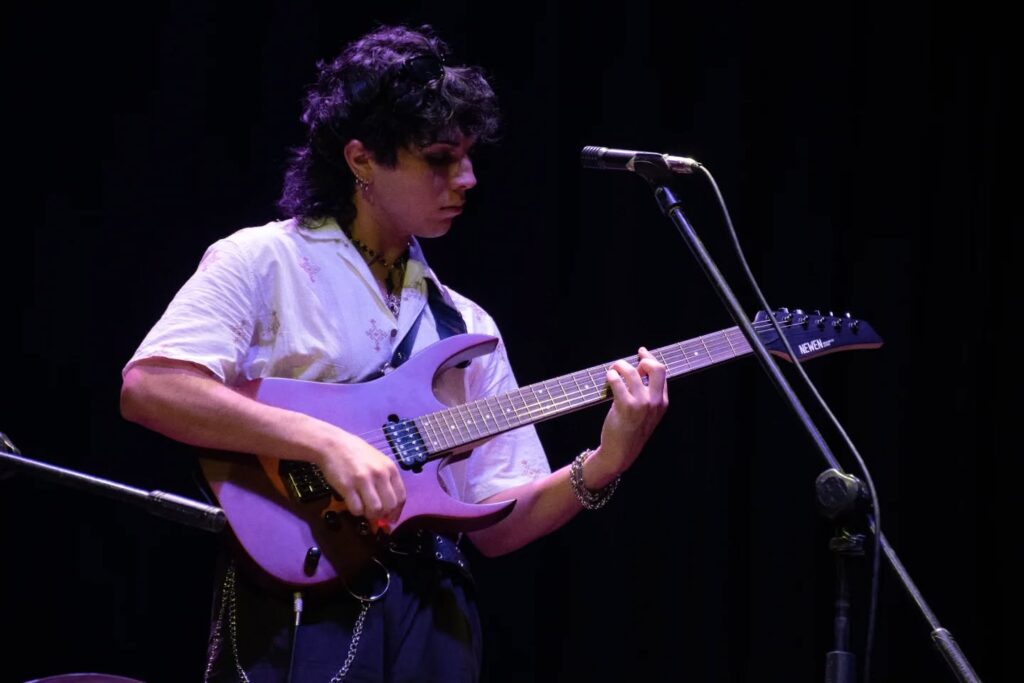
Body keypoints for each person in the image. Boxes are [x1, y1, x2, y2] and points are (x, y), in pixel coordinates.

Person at [120, 24, 668, 683]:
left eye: (468, 157)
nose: (466, 178)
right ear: (361, 160)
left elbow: (497, 525)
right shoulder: (265, 260)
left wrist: (606, 461)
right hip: (299, 605)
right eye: (439, 158)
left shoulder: (467, 324)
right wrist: (324, 443)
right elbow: (151, 387)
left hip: (433, 617)